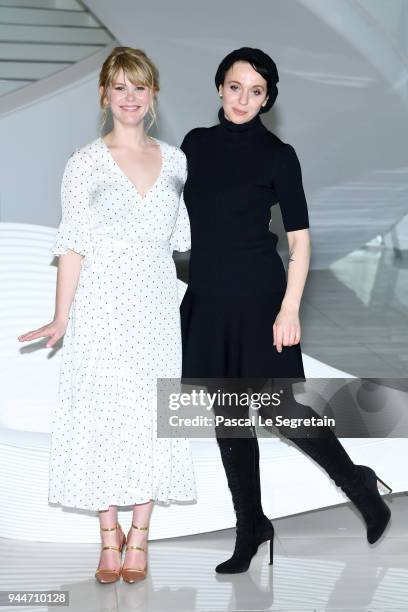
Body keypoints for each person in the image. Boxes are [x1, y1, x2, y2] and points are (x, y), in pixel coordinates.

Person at [180, 47, 392, 574]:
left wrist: (289, 308)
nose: (243, 99)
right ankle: (251, 524)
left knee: (281, 411)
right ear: (219, 88)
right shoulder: (194, 146)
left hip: (260, 300)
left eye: (256, 91)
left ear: (268, 97)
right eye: (235, 87)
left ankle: (359, 487)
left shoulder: (279, 154)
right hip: (207, 298)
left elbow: (300, 241)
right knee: (228, 416)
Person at [18, 46, 196, 584]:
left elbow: (182, 239)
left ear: (153, 95)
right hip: (101, 301)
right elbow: (72, 244)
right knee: (101, 410)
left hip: (159, 303)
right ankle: (107, 536)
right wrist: (60, 316)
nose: (130, 97)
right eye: (119, 87)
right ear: (103, 95)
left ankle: (140, 534)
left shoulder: (177, 162)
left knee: (152, 411)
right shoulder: (85, 163)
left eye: (139, 87)